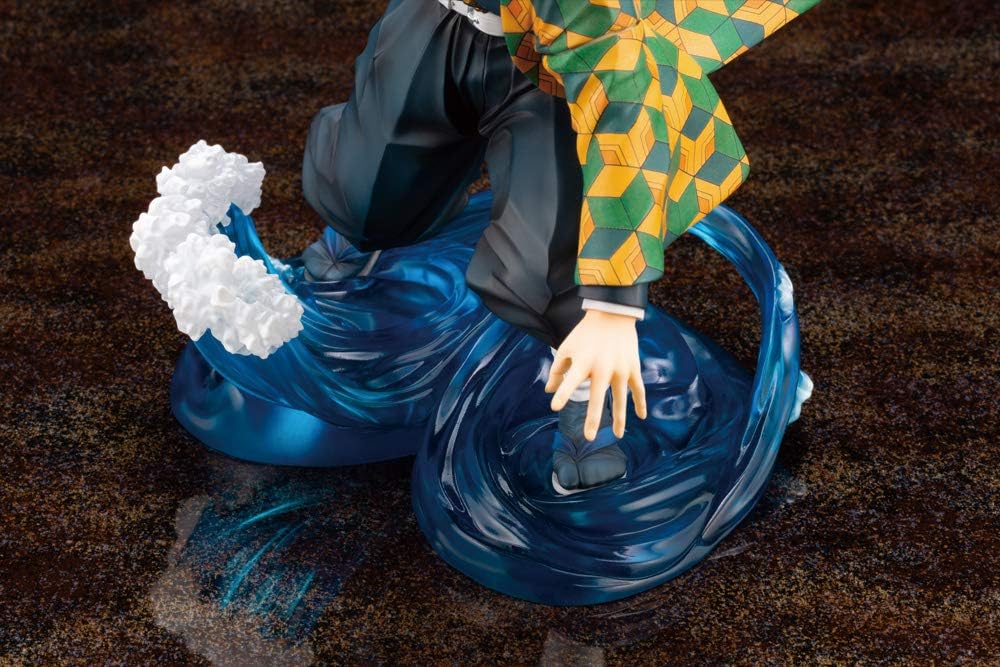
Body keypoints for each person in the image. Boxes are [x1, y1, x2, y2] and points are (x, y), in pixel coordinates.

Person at [301, 0, 820, 490]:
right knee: (365, 190)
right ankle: (355, 230)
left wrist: (613, 305)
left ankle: (589, 408)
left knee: (548, 271)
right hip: (432, 24)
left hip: (553, 62)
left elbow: (621, 97)